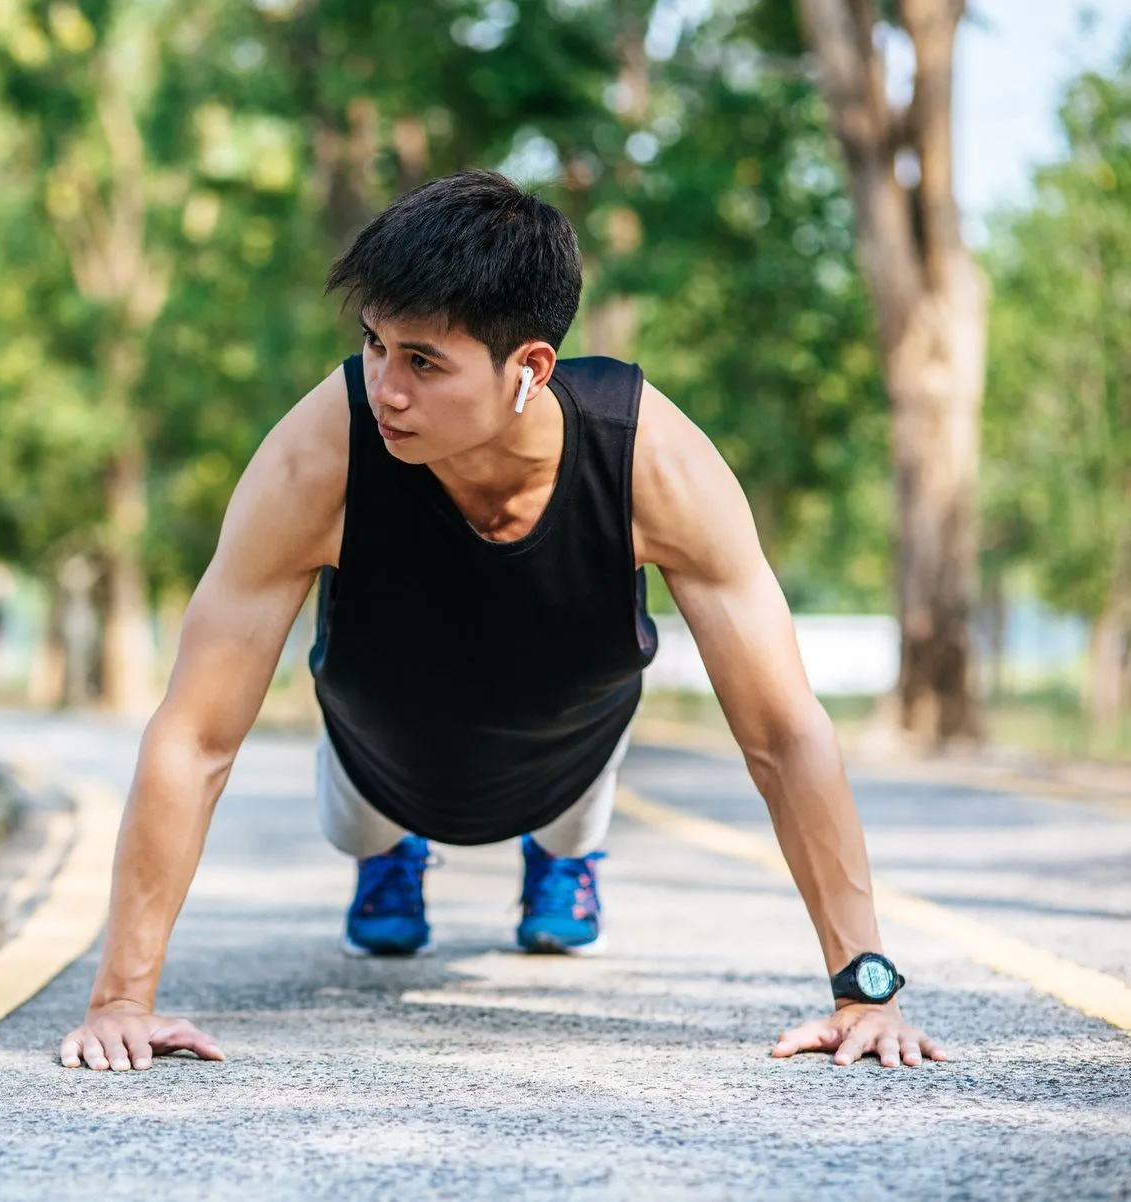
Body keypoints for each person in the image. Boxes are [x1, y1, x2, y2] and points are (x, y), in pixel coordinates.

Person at [59, 170, 946, 1074]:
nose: (384, 389)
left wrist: (864, 991)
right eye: (374, 345)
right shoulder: (317, 458)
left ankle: (564, 859)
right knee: (364, 824)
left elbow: (785, 733)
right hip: (379, 756)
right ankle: (389, 857)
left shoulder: (656, 464)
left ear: (529, 368)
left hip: (571, 747)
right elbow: (195, 736)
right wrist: (121, 1000)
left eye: (423, 362)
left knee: (571, 805)